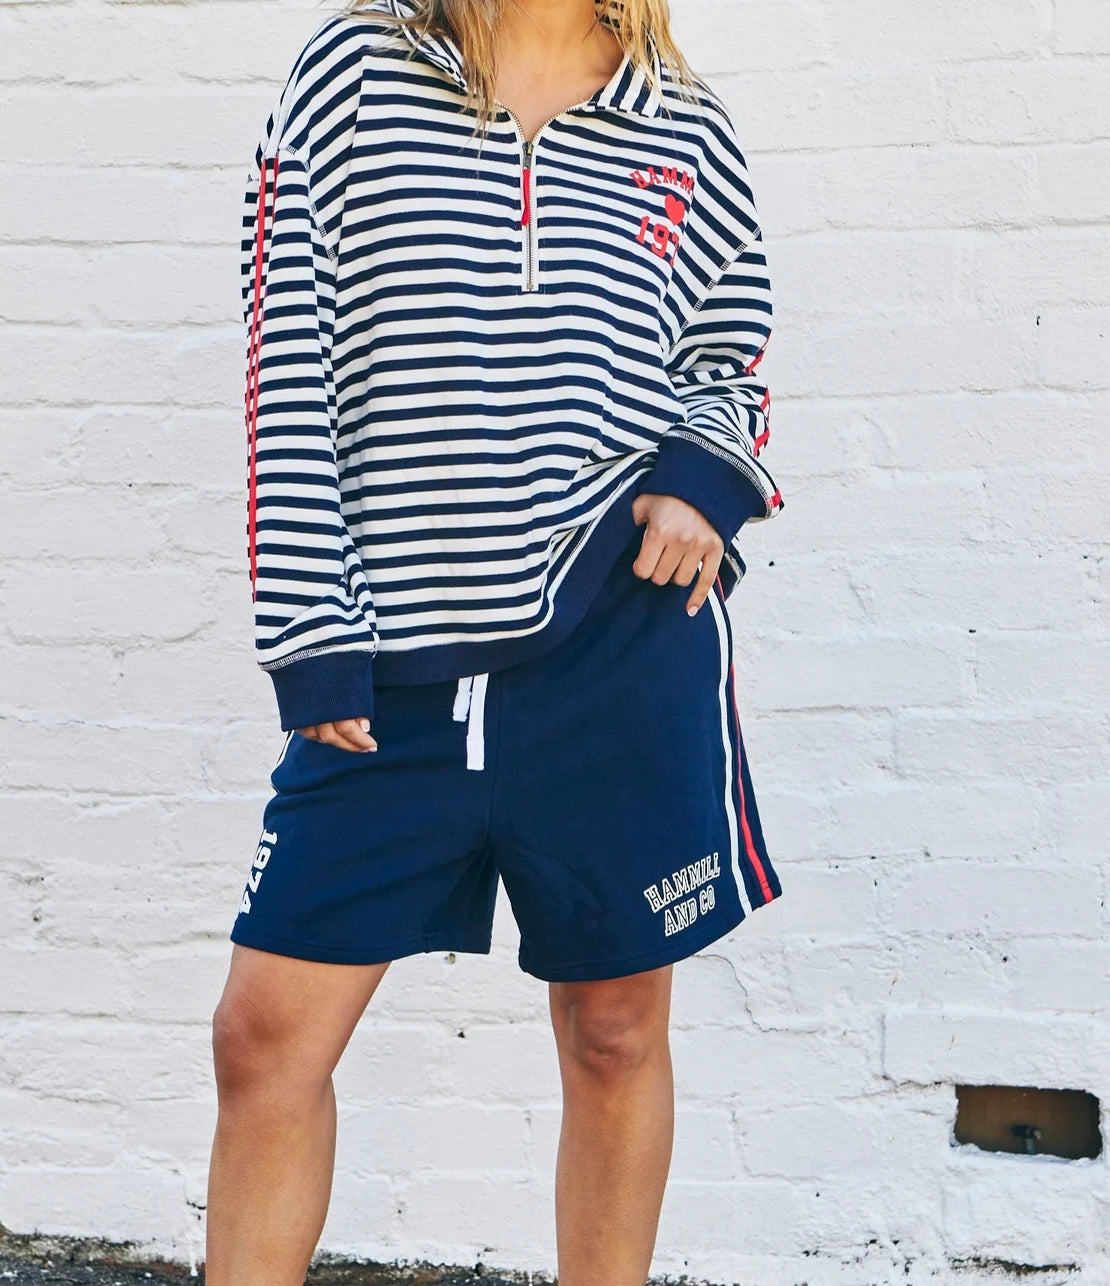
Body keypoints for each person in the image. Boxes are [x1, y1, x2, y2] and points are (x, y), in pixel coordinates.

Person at [207, 0, 785, 1281]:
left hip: (614, 646)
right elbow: (281, 350)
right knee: (264, 1038)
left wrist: (703, 476)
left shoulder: (681, 123)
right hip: (385, 666)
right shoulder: (353, 69)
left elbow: (728, 354)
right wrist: (310, 631)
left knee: (614, 1028)